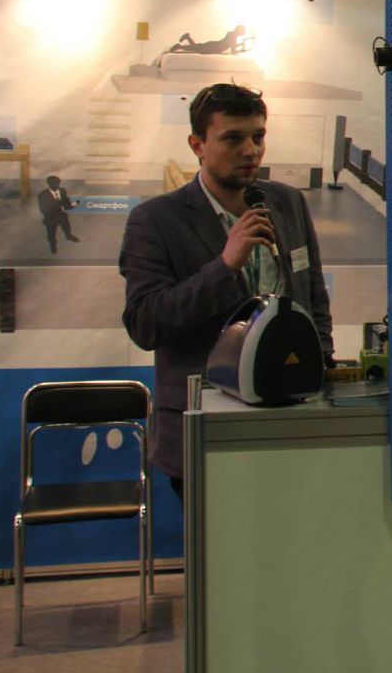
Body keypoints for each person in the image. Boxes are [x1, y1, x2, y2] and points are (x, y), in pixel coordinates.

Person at [119, 83, 334, 498]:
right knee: (219, 541)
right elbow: (146, 324)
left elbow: (313, 297)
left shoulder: (287, 202)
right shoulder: (155, 220)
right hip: (205, 427)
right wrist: (225, 265)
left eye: (258, 136)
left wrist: (320, 366)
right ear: (197, 145)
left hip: (290, 417)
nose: (251, 150)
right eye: (233, 138)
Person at [37, 174, 80, 253]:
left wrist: (74, 204)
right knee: (51, 234)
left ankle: (69, 236)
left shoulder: (63, 191)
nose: (56, 185)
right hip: (50, 218)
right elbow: (42, 209)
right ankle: (52, 245)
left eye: (57, 183)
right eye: (53, 183)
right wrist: (54, 211)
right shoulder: (42, 195)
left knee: (67, 227)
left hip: (62, 216)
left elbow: (66, 203)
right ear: (49, 184)